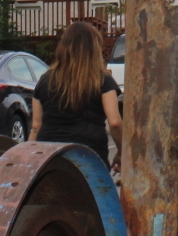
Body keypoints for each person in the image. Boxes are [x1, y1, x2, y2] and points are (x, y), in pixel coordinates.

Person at [29, 22, 121, 167]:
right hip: (90, 157)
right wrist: (121, 152)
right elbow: (114, 122)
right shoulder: (103, 80)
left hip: (49, 158)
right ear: (94, 49)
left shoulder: (45, 80)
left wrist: (30, 161)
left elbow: (36, 126)